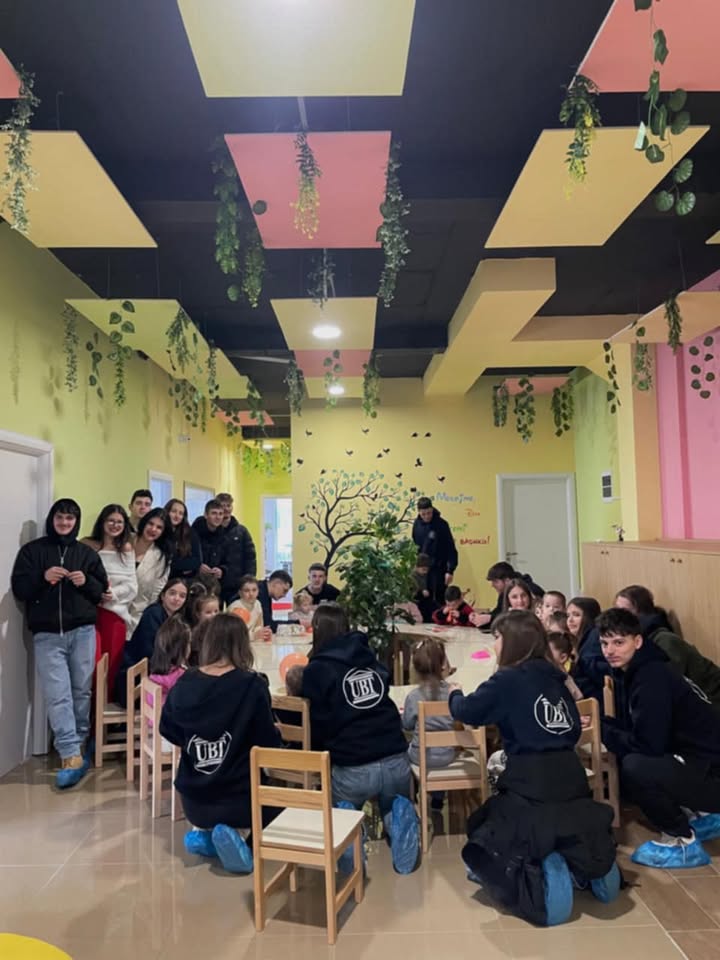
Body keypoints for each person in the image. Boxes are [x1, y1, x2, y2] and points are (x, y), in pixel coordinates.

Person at [448, 611, 618, 926]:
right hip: (571, 775)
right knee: (568, 820)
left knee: (494, 822)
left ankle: (545, 871)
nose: (495, 644)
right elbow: (571, 730)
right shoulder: (555, 677)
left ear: (511, 641)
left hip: (529, 780)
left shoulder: (506, 680)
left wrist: (454, 694)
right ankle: (590, 869)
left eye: (497, 638)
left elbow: (469, 711)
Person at [300, 603, 420, 874]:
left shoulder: (317, 670)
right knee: (392, 799)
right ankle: (397, 816)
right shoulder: (368, 656)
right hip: (395, 757)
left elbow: (318, 724)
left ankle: (349, 826)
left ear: (317, 630)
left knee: (340, 805)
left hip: (353, 766)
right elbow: (383, 686)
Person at [598, 608, 720, 869]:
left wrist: (604, 731)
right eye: (604, 643)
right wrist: (603, 724)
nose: (610, 651)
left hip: (711, 772)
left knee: (635, 766)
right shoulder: (647, 668)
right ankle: (703, 814)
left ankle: (682, 840)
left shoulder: (650, 678)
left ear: (637, 641)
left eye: (619, 642)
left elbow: (648, 745)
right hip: (702, 762)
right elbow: (645, 729)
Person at [160, 614, 281, 874]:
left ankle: (205, 835)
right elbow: (267, 743)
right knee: (277, 808)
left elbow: (168, 730)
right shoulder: (252, 685)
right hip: (239, 800)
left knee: (216, 809)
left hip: (192, 800)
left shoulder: (185, 682)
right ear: (243, 644)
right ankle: (240, 839)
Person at [11, 499, 109, 789]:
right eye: (60, 517)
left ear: (76, 522)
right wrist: (43, 578)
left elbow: (101, 591)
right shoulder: (32, 551)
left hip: (83, 632)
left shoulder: (86, 554)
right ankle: (69, 753)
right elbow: (20, 589)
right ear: (52, 519)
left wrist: (85, 581)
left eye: (70, 518)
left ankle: (80, 742)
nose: (64, 523)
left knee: (81, 691)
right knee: (58, 694)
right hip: (47, 635)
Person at [615, 585, 720, 707]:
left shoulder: (665, 641)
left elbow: (667, 687)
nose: (617, 618)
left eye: (624, 612)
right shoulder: (641, 640)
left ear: (641, 613)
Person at [82, 504, 138, 697]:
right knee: (91, 664)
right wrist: (95, 591)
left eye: (119, 522)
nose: (115, 525)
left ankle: (103, 711)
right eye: (111, 520)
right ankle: (88, 711)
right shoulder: (87, 544)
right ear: (102, 521)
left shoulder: (126, 548)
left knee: (111, 667)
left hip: (114, 614)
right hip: (89, 611)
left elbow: (132, 585)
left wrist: (112, 593)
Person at [115, 578, 188, 705]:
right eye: (172, 593)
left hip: (154, 675)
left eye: (182, 596)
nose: (177, 598)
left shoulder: (176, 619)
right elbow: (149, 652)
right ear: (163, 595)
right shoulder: (153, 613)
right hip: (135, 682)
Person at [402, 639, 456, 797]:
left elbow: (407, 725)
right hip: (447, 756)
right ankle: (437, 800)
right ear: (442, 664)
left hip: (420, 756)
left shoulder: (414, 696)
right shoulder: (452, 693)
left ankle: (414, 795)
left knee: (404, 751)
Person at [128, 508, 172, 634]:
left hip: (137, 615)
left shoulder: (161, 556)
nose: (153, 529)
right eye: (150, 524)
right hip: (112, 607)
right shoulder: (126, 539)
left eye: (159, 527)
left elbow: (157, 591)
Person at [412, 497, 458, 606]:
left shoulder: (442, 524)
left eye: (429, 513)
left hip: (439, 568)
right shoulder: (416, 525)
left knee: (439, 600)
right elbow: (415, 546)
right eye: (423, 514)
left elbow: (450, 548)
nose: (426, 516)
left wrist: (450, 570)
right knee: (422, 599)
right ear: (419, 512)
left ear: (432, 509)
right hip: (422, 570)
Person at [219, 497, 258, 606]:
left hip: (236, 584)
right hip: (216, 584)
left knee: (238, 613)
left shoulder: (242, 531)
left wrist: (249, 580)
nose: (226, 509)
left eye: (228, 505)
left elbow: (250, 557)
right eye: (222, 505)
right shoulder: (212, 531)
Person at [566, 597, 606, 701]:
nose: (570, 620)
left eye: (576, 615)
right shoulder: (584, 638)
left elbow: (597, 674)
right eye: (568, 615)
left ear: (589, 617)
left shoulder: (594, 637)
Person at [148, 617, 190, 709]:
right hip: (165, 715)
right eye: (188, 643)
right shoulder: (179, 676)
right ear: (181, 649)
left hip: (152, 713)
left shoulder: (159, 669)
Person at [192, 499, 228, 590]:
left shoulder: (225, 536)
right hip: (194, 581)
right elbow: (185, 556)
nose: (218, 517)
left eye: (220, 514)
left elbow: (229, 560)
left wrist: (222, 570)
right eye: (214, 513)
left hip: (215, 584)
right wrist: (197, 566)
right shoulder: (193, 533)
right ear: (206, 515)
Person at [165, 498, 201, 581]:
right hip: (162, 579)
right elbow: (161, 563)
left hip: (185, 580)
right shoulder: (160, 531)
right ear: (167, 512)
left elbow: (196, 562)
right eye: (174, 511)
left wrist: (172, 566)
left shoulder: (190, 533)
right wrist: (182, 568)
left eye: (181, 513)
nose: (177, 516)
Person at [257, 569, 293, 636]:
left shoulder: (265, 592)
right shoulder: (259, 593)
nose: (284, 595)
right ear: (276, 583)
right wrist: (296, 623)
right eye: (285, 590)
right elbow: (268, 625)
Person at [413, 552, 436, 623]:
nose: (425, 572)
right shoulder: (412, 576)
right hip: (416, 601)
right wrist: (421, 591)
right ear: (416, 567)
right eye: (423, 569)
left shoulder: (426, 576)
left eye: (427, 570)